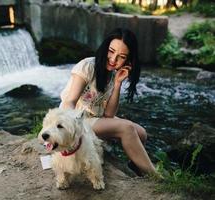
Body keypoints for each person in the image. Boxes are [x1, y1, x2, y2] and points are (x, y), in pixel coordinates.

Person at [59, 28, 157, 176]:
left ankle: (137, 167)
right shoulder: (88, 66)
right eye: (111, 51)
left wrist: (117, 83)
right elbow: (69, 101)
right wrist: (71, 130)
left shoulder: (112, 75)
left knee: (142, 133)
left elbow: (110, 114)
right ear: (105, 47)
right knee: (127, 127)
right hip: (78, 119)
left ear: (128, 60)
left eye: (121, 57)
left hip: (95, 117)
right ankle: (154, 176)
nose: (113, 59)